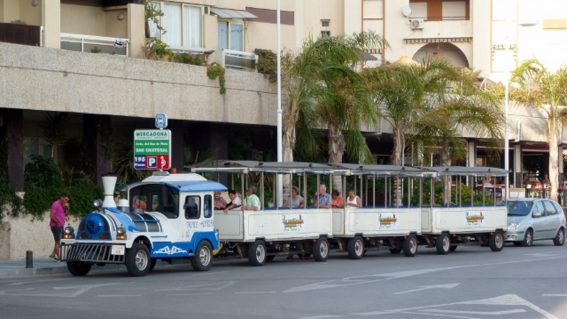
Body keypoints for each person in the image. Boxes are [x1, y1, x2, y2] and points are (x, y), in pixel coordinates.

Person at [49, 194, 69, 261]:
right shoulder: (55, 204)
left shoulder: (63, 205)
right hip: (56, 226)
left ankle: (53, 254)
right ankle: (58, 257)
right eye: (65, 199)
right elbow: (51, 215)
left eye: (67, 200)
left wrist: (67, 208)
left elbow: (66, 214)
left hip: (61, 226)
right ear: (61, 198)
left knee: (62, 240)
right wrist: (57, 223)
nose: (66, 201)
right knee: (58, 241)